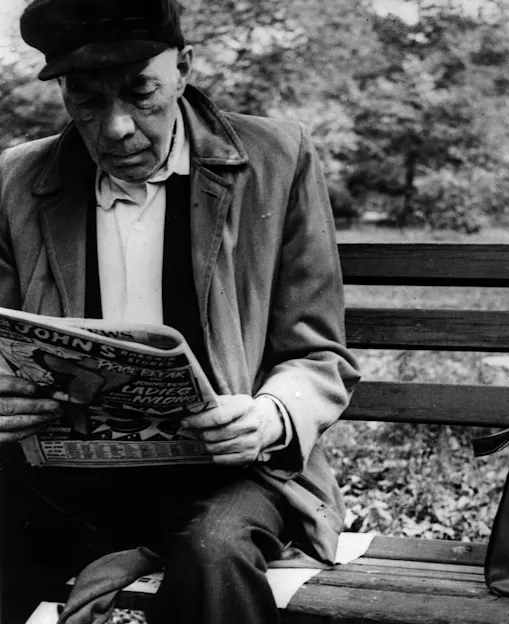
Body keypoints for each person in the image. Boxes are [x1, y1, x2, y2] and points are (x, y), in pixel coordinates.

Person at [0, 0, 360, 622]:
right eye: (85, 99)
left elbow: (318, 354)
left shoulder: (277, 157)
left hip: (234, 475)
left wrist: (273, 415)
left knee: (213, 550)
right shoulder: (18, 178)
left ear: (185, 67)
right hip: (67, 475)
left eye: (141, 92)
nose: (114, 127)